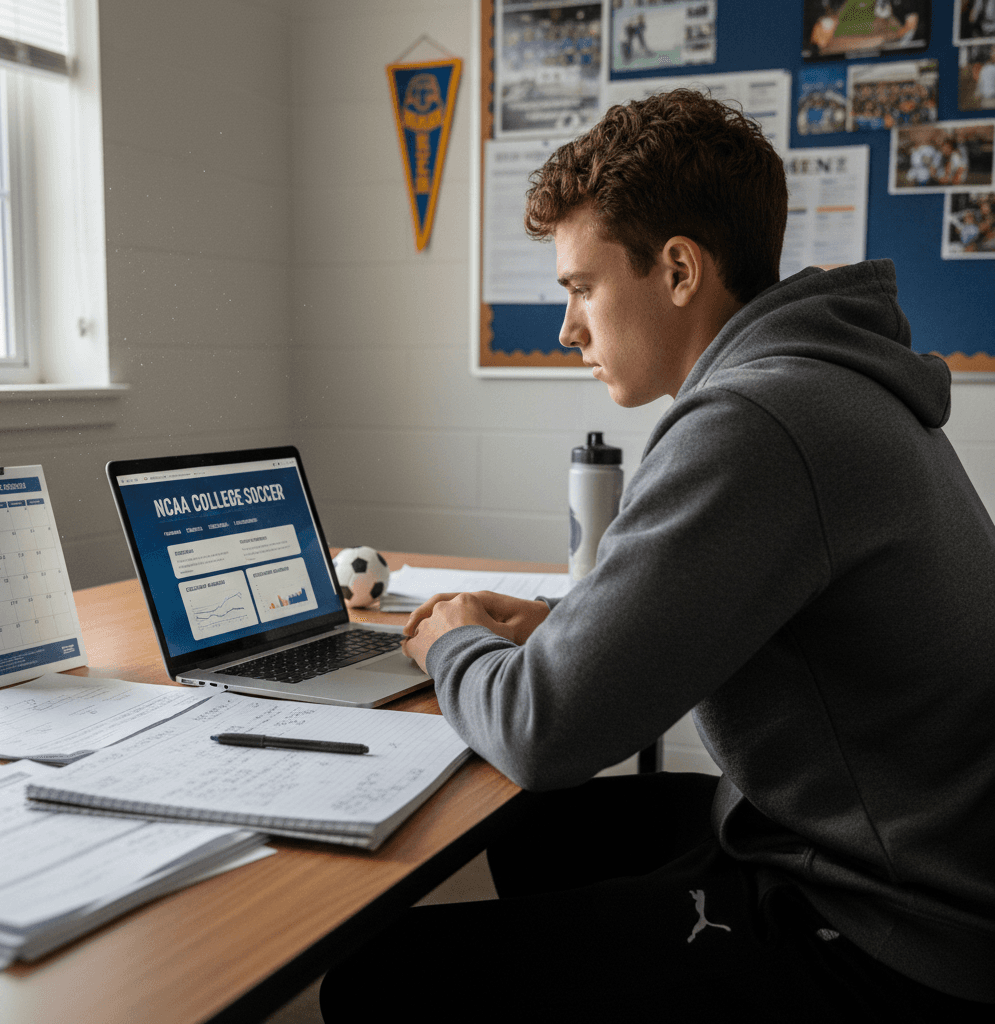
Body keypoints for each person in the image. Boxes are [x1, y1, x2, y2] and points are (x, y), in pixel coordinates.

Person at [319, 90, 995, 1022]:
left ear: (678, 269)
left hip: (885, 932)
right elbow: (764, 616)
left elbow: (543, 731)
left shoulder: (756, 420)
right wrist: (564, 626)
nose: (568, 329)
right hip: (897, 856)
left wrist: (447, 643)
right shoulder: (826, 380)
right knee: (540, 838)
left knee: (379, 979)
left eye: (580, 288)